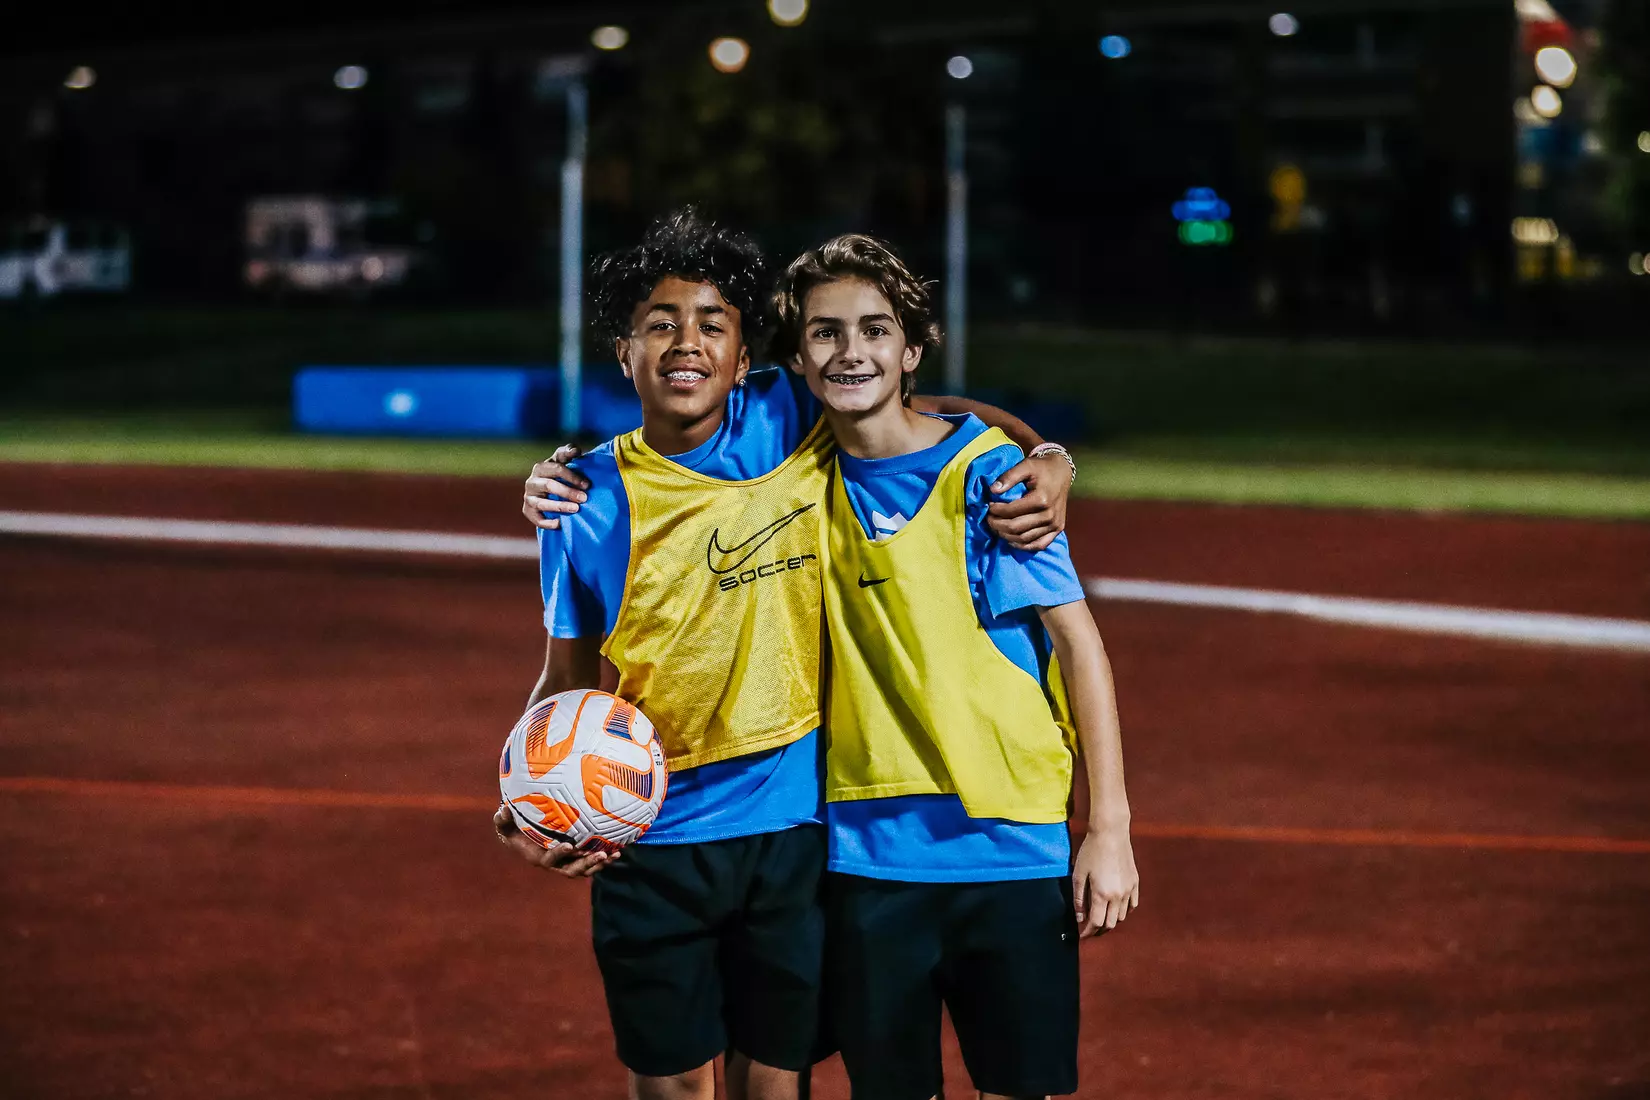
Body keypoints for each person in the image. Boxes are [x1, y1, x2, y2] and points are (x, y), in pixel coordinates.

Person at [493, 208, 1076, 1100]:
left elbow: (938, 414)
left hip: (791, 828)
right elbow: (566, 677)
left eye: (712, 325)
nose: (686, 344)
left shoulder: (787, 412)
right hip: (654, 831)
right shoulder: (582, 500)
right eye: (659, 325)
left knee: (775, 1081)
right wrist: (531, 794)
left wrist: (1048, 454)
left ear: (744, 357)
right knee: (674, 1087)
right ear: (624, 352)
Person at [771, 233, 1139, 1100]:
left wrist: (1110, 832)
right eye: (825, 333)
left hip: (1010, 846)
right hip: (869, 855)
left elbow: (1082, 647)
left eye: (874, 330)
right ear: (796, 353)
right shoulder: (796, 478)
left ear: (910, 348)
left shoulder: (991, 479)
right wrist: (564, 474)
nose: (850, 351)